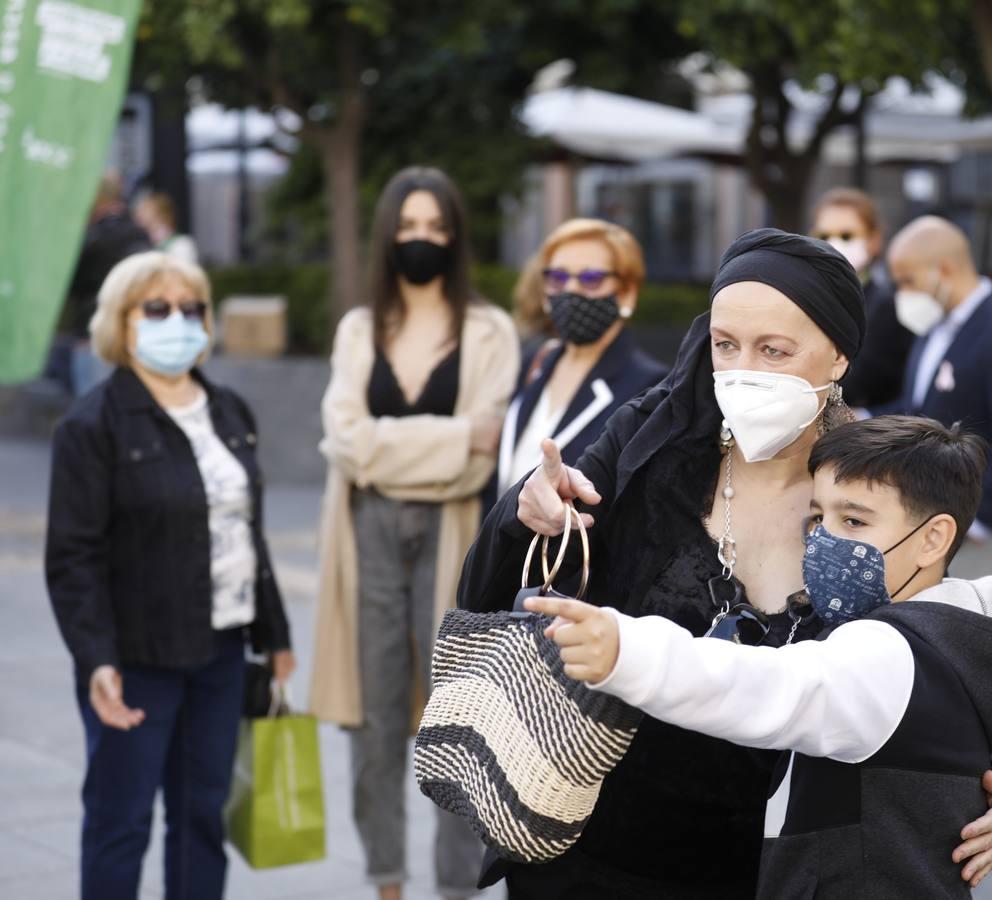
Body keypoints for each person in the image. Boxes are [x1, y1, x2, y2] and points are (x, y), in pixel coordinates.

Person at [459, 228, 992, 898]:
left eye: (775, 350)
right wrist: (524, 512)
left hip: (769, 869)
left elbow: (925, 647)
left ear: (840, 354)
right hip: (592, 850)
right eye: (725, 345)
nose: (744, 369)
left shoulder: (874, 484)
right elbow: (493, 587)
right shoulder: (650, 440)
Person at [526, 415, 992, 898]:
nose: (825, 541)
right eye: (819, 517)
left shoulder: (888, 650)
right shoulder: (956, 630)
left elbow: (770, 687)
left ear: (932, 538)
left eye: (855, 522)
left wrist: (626, 650)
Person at [44, 251, 294, 899]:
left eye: (192, 308)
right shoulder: (90, 425)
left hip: (220, 651)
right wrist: (95, 659)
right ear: (121, 323)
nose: (177, 321)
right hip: (135, 658)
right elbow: (73, 557)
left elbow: (244, 529)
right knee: (120, 824)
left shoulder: (230, 410)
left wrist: (276, 634)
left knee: (202, 817)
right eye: (157, 308)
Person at [307, 166, 519, 900]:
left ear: (455, 236)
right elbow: (341, 440)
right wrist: (453, 438)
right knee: (372, 719)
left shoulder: (490, 331)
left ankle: (455, 889)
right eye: (408, 227)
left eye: (435, 227)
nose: (421, 240)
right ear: (387, 235)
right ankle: (386, 883)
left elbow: (479, 463)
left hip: (453, 531)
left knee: (454, 715)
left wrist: (388, 448)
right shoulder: (359, 328)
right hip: (363, 532)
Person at [875, 216, 992, 589]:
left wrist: (984, 518)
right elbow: (919, 406)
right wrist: (865, 418)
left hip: (971, 524)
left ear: (944, 269)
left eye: (907, 281)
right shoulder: (933, 328)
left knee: (973, 635)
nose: (901, 293)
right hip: (921, 515)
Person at [489, 218, 666, 506]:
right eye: (557, 278)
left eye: (591, 279)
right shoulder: (534, 364)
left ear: (627, 293)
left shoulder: (650, 387)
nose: (571, 290)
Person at [810, 188, 914, 412]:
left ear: (874, 240)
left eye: (847, 236)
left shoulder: (886, 304)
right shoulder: (805, 299)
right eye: (824, 236)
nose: (834, 243)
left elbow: (863, 381)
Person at [65, 171, 152, 395]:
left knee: (92, 412)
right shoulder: (139, 233)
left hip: (93, 334)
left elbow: (72, 283)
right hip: (134, 335)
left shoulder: (93, 238)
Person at [134, 192, 199, 264]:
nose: (139, 214)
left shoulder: (182, 244)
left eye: (146, 209)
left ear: (162, 214)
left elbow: (184, 273)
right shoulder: (146, 244)